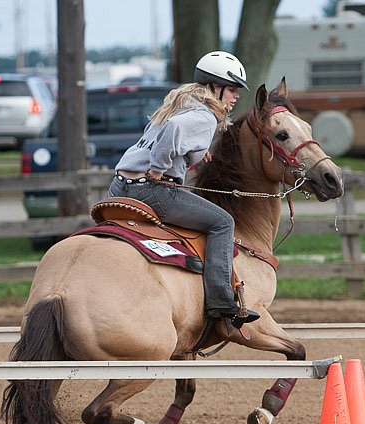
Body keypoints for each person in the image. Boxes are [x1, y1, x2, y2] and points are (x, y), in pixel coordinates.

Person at [109, 51, 260, 328]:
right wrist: (158, 168)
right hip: (151, 191)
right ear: (215, 87)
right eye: (232, 90)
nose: (236, 96)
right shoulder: (203, 116)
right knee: (223, 223)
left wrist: (196, 155)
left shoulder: (179, 105)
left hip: (120, 186)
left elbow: (168, 133)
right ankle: (221, 301)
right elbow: (174, 132)